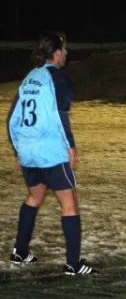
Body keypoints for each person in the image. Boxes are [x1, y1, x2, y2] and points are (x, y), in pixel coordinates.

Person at [7, 32, 97, 275]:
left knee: (34, 197)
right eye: (64, 49)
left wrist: (18, 151)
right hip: (49, 151)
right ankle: (73, 264)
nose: (66, 53)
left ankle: (20, 251)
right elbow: (60, 115)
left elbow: (11, 119)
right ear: (56, 52)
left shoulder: (28, 78)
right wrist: (70, 145)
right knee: (69, 203)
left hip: (28, 151)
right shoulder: (58, 79)